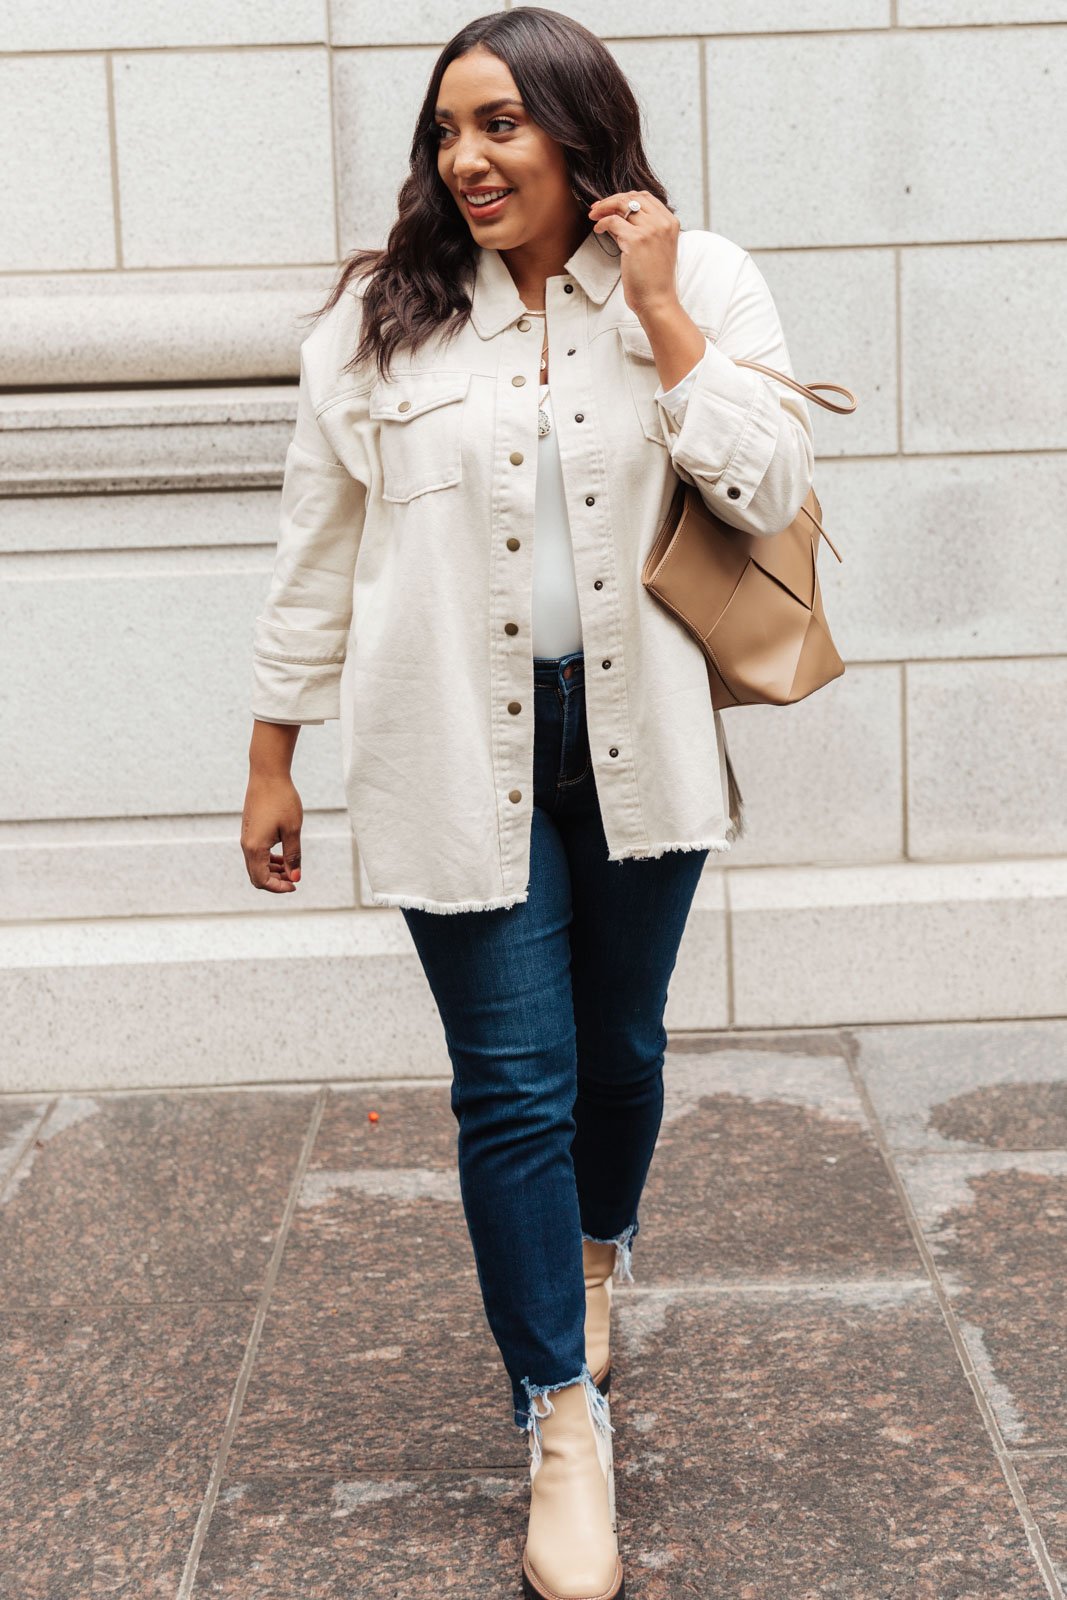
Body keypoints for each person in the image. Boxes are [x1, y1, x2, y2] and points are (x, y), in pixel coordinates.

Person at [241, 8, 815, 1595]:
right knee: (512, 1083)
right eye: (445, 131)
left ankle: (594, 1257)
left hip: (638, 739)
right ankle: (562, 1421)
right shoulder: (384, 322)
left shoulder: (698, 279)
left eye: (499, 124)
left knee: (619, 1052)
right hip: (445, 743)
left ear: (578, 129)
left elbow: (766, 489)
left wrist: (657, 315)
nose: (466, 158)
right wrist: (272, 750)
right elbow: (316, 546)